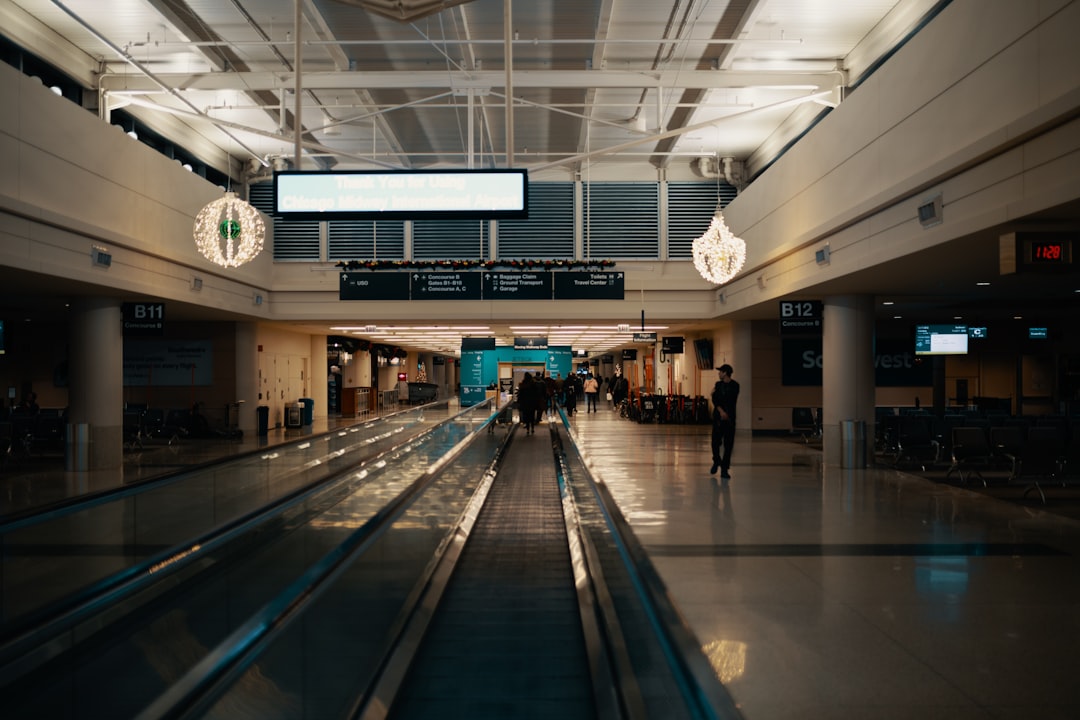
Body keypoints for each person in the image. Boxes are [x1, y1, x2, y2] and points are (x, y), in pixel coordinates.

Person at [710, 364, 739, 479]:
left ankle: (724, 469)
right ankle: (716, 460)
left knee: (728, 445)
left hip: (729, 419)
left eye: (720, 371)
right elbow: (715, 400)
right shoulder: (718, 384)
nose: (719, 373)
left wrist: (726, 413)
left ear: (725, 373)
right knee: (715, 442)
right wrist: (721, 411)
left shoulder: (735, 386)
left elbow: (731, 400)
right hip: (718, 418)